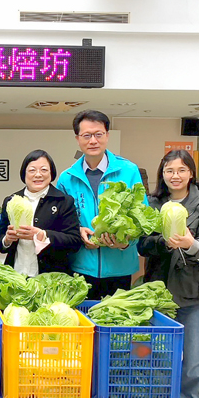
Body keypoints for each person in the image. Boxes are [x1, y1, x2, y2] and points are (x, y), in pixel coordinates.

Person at [138, 150, 199, 398]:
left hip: (196, 290)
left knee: (194, 354)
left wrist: (191, 244)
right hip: (159, 289)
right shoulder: (152, 204)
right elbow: (141, 244)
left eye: (181, 170)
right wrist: (163, 243)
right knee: (159, 352)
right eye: (169, 170)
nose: (175, 176)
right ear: (162, 174)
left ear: (191, 173)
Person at [56, 110, 145, 299]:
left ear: (107, 136)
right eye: (86, 135)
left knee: (113, 323)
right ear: (77, 138)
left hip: (119, 267)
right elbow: (61, 221)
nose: (93, 141)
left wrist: (125, 241)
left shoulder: (128, 170)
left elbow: (141, 217)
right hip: (80, 266)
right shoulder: (67, 178)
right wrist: (78, 231)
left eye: (98, 134)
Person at [0, 149, 82, 276]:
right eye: (32, 170)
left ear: (51, 173)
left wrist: (43, 235)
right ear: (23, 174)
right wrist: (7, 240)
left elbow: (74, 242)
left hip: (50, 278)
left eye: (44, 170)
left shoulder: (63, 201)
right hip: (16, 276)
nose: (38, 174)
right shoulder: (12, 201)